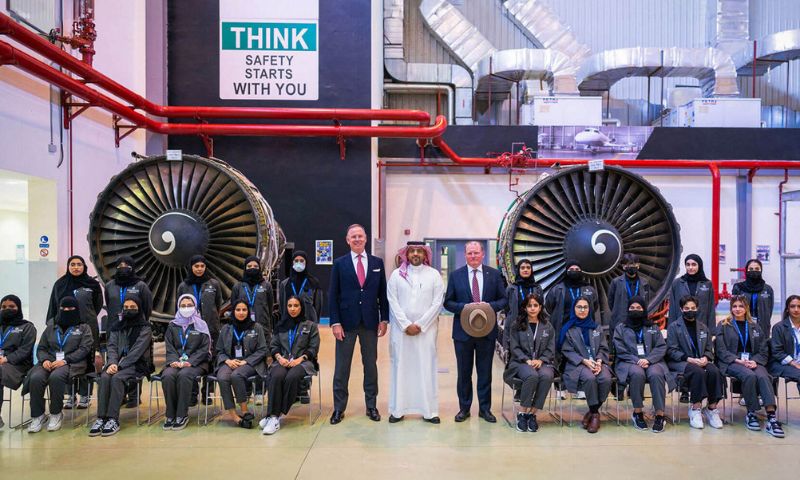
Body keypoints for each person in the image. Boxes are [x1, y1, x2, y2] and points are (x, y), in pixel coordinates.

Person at [328, 224, 389, 424]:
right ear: (347, 240)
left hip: (370, 323)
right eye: (353, 236)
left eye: (360, 236)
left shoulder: (377, 263)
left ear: (365, 239)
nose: (357, 239)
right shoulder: (339, 264)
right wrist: (335, 322)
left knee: (370, 366)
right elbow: (333, 295)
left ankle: (371, 406)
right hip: (346, 324)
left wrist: (384, 319)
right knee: (342, 368)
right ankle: (338, 408)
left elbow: (382, 294)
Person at [444, 241, 508, 423]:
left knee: (484, 372)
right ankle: (464, 409)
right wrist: (465, 308)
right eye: (469, 253)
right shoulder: (456, 276)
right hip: (462, 334)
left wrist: (489, 307)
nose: (473, 256)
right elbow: (448, 302)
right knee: (464, 373)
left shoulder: (494, 275)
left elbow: (503, 299)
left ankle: (485, 409)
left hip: (486, 333)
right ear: (465, 255)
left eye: (476, 253)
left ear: (482, 254)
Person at [386, 241, 445, 424]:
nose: (416, 254)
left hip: (426, 332)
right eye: (412, 251)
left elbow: (437, 303)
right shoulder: (396, 275)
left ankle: (429, 411)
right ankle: (398, 410)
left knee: (425, 367)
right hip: (401, 332)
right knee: (400, 368)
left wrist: (420, 324)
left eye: (419, 251)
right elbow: (392, 301)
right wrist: (406, 325)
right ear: (407, 254)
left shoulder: (434, 275)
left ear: (425, 254)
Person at [715, 295, 784, 437]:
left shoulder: (755, 326)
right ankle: (751, 413)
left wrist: (756, 361)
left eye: (741, 306)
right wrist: (737, 360)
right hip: (732, 361)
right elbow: (721, 350)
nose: (737, 309)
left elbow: (763, 349)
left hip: (752, 360)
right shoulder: (723, 325)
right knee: (749, 375)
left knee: (764, 376)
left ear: (746, 308)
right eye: (734, 306)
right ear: (731, 308)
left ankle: (771, 416)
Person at [26, 297, 93, 433]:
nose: (67, 311)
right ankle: (38, 415)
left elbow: (84, 349)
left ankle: (56, 413)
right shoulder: (51, 327)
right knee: (35, 378)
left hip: (72, 363)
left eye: (70, 309)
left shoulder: (84, 327)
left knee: (56, 377)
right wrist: (44, 360)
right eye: (64, 309)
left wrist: (65, 360)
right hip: (49, 362)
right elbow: (42, 348)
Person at [89, 295, 152, 437]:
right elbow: (111, 347)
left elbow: (137, 351)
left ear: (139, 308)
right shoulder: (117, 327)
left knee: (117, 378)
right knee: (104, 377)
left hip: (135, 365)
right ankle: (101, 418)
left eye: (133, 308)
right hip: (116, 364)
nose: (129, 310)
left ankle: (112, 419)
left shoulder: (145, 328)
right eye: (126, 308)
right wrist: (112, 363)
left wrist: (120, 366)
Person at [45, 255, 103, 409]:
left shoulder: (93, 284)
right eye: (72, 264)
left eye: (79, 264)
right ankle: (70, 395)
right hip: (65, 330)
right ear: (68, 266)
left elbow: (97, 305)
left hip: (87, 328)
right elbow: (53, 305)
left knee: (86, 362)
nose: (76, 267)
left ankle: (85, 395)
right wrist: (51, 325)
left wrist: (86, 318)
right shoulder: (60, 284)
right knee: (65, 360)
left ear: (84, 266)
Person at [612, 296, 673, 433]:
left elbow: (661, 346)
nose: (635, 310)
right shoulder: (620, 328)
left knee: (657, 374)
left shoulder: (652, 326)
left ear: (644, 309)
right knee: (637, 373)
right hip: (629, 361)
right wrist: (636, 360)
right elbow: (620, 349)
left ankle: (659, 415)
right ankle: (638, 413)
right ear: (627, 309)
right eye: (632, 308)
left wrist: (649, 359)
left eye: (638, 308)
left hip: (652, 361)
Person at [261, 296, 320, 435]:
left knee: (292, 377)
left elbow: (313, 348)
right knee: (276, 376)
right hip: (283, 361)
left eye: (296, 306)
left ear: (301, 307)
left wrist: (300, 359)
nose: (292, 309)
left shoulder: (310, 326)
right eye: (290, 306)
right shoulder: (281, 325)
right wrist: (279, 358)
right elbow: (273, 345)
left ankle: (275, 415)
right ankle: (273, 417)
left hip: (303, 363)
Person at [666, 295, 724, 429]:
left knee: (714, 371)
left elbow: (710, 349)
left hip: (700, 360)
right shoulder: (674, 327)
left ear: (697, 309)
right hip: (681, 362)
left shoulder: (703, 327)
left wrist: (706, 358)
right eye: (687, 308)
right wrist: (689, 358)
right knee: (697, 371)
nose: (690, 310)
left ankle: (711, 408)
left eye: (693, 308)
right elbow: (671, 350)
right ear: (681, 309)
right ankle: (696, 408)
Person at [103, 255, 152, 408]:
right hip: (116, 328)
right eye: (120, 265)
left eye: (127, 265)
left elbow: (147, 308)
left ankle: (134, 396)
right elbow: (108, 304)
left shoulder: (141, 286)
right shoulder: (110, 285)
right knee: (115, 359)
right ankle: (120, 396)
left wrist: (139, 322)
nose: (123, 267)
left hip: (136, 327)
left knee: (134, 360)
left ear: (133, 267)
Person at [559, 297, 612, 434]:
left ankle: (591, 411)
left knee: (605, 379)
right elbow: (567, 350)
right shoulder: (569, 329)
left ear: (589, 310)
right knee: (589, 378)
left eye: (585, 307)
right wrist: (584, 361)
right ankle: (595, 416)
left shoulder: (596, 328)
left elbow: (603, 347)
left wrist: (599, 361)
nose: (582, 310)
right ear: (573, 309)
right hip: (577, 364)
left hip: (597, 363)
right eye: (579, 307)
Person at [503, 293, 555, 432]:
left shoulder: (547, 326)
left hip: (541, 363)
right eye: (529, 305)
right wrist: (527, 360)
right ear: (525, 308)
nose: (532, 308)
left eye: (535, 305)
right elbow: (514, 347)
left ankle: (532, 414)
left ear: (540, 307)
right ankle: (522, 413)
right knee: (532, 376)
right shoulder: (516, 325)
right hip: (520, 362)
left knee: (546, 376)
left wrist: (541, 360)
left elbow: (551, 348)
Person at [160, 294, 211, 431]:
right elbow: (169, 347)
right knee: (168, 375)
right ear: (178, 307)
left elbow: (204, 348)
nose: (186, 308)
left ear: (195, 307)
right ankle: (170, 414)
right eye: (183, 306)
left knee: (184, 375)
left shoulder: (201, 325)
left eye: (189, 305)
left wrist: (189, 362)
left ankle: (182, 415)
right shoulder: (172, 325)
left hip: (197, 363)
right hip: (175, 362)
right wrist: (174, 361)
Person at [229, 255, 275, 405]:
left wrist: (267, 327)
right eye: (249, 267)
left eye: (255, 266)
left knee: (261, 359)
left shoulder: (266, 285)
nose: (252, 269)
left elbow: (269, 305)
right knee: (244, 359)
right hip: (242, 329)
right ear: (245, 268)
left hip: (263, 329)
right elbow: (234, 306)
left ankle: (260, 392)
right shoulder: (238, 286)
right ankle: (246, 390)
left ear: (259, 268)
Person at [177, 255, 222, 404]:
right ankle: (192, 393)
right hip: (190, 331)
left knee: (210, 361)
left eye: (202, 266)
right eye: (196, 266)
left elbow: (218, 305)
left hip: (210, 329)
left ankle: (207, 393)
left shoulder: (213, 284)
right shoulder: (183, 286)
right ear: (191, 267)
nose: (199, 269)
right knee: (192, 359)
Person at [214, 300, 267, 429]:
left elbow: (263, 349)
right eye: (238, 310)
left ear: (248, 311)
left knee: (236, 375)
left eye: (244, 310)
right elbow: (219, 350)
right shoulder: (226, 328)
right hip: (229, 361)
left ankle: (244, 410)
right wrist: (227, 360)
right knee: (222, 377)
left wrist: (247, 361)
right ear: (233, 311)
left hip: (249, 362)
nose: (241, 313)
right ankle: (234, 416)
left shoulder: (256, 327)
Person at [0, 295, 36, 429]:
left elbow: (25, 350)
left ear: (19, 308)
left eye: (11, 307)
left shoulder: (27, 327)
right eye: (3, 307)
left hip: (19, 366)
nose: (7, 309)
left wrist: (6, 359)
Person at [545, 260, 601, 345]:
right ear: (566, 271)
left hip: (584, 327)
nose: (574, 271)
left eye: (577, 269)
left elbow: (594, 306)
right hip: (563, 327)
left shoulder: (589, 289)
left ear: (581, 272)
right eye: (571, 269)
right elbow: (549, 307)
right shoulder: (557, 289)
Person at [503, 259, 543, 354]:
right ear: (518, 270)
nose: (525, 270)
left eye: (528, 267)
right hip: (515, 326)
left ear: (531, 270)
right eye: (522, 268)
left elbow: (541, 306)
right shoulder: (511, 288)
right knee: (515, 355)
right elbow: (507, 309)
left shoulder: (537, 288)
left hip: (533, 325)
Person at [607, 253, 651, 335]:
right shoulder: (616, 282)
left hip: (639, 320)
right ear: (624, 266)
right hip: (621, 320)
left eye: (634, 264)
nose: (632, 266)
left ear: (638, 265)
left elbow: (646, 302)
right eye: (629, 265)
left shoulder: (645, 283)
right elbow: (611, 302)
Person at [668, 254, 716, 330]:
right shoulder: (677, 283)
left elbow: (711, 309)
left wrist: (712, 332)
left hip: (702, 326)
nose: (690, 267)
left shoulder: (707, 284)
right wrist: (671, 329)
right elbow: (672, 309)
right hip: (681, 327)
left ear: (699, 265)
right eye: (688, 265)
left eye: (694, 265)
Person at [731, 258, 775, 339]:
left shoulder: (768, 289)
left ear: (761, 270)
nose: (754, 271)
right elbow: (733, 307)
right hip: (742, 324)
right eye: (751, 269)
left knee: (762, 348)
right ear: (746, 270)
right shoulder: (738, 288)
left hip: (762, 326)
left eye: (757, 269)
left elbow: (769, 310)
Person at [278, 250, 323, 324]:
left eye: (302, 260)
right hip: (290, 323)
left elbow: (318, 306)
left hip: (309, 323)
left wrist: (315, 323)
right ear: (292, 262)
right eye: (296, 260)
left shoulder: (314, 282)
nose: (299, 263)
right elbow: (282, 307)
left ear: (306, 262)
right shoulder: (284, 284)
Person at [769, 295, 800, 395]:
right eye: (792, 306)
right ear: (787, 309)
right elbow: (777, 351)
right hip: (781, 364)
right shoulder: (779, 327)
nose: (796, 309)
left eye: (799, 306)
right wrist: (793, 363)